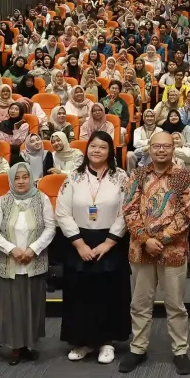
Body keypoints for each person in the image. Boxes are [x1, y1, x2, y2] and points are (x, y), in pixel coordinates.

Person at [120, 131, 190, 375]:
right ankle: (138, 348)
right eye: (156, 146)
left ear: (174, 148)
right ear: (149, 149)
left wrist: (159, 240)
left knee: (175, 305)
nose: (161, 150)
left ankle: (180, 350)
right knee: (140, 303)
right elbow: (129, 210)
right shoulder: (138, 175)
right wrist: (145, 239)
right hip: (141, 250)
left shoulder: (183, 177)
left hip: (173, 251)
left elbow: (185, 215)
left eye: (166, 146)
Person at [56, 132, 131, 364]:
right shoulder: (73, 178)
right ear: (86, 149)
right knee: (79, 293)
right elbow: (62, 212)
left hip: (111, 242)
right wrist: (79, 244)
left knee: (109, 294)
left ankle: (107, 342)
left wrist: (109, 243)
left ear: (110, 151)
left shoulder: (121, 177)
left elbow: (126, 211)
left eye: (102, 147)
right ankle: (82, 342)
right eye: (93, 146)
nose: (97, 151)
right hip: (79, 241)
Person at [0, 162, 55, 365]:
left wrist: (33, 249)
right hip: (10, 263)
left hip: (35, 262)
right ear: (10, 179)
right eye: (16, 178)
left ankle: (29, 344)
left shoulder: (42, 199)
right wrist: (13, 250)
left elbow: (50, 228)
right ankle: (15, 347)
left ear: (31, 178)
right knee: (12, 307)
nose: (21, 181)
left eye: (25, 177)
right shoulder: (2, 202)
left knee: (32, 305)